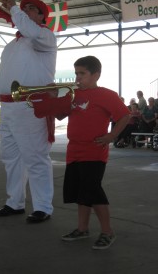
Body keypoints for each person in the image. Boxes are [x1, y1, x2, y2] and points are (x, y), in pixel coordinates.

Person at [40, 56, 129, 249]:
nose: (78, 78)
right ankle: (82, 229)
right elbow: (59, 115)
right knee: (81, 193)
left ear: (96, 74)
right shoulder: (73, 95)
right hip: (74, 150)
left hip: (94, 150)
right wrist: (53, 97)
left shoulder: (107, 95)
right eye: (76, 73)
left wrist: (111, 136)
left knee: (93, 191)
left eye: (82, 73)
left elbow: (125, 115)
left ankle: (107, 232)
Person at [0, 0, 57, 223]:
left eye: (31, 9)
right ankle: (14, 202)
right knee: (11, 158)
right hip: (8, 107)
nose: (25, 12)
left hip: (30, 105)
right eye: (23, 9)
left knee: (35, 157)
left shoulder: (44, 36)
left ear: (42, 16)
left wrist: (15, 8)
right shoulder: (11, 46)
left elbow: (30, 30)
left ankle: (43, 207)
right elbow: (1, 75)